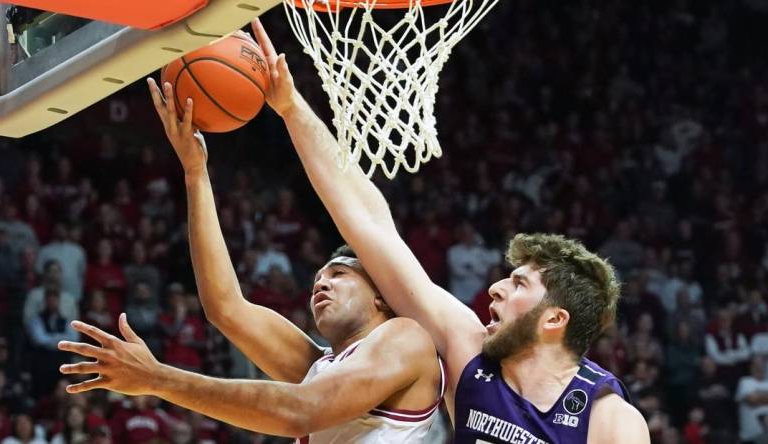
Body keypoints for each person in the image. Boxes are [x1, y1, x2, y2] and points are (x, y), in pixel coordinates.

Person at [243, 18, 649, 444]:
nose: (494, 289)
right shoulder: (468, 352)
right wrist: (291, 108)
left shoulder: (609, 419)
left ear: (554, 318)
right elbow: (372, 226)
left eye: (519, 284)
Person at [56, 36, 444, 442]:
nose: (321, 282)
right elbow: (225, 307)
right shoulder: (323, 367)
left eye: (339, 274)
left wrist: (158, 378)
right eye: (319, 277)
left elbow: (301, 411)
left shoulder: (405, 338)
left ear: (381, 296)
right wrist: (195, 171)